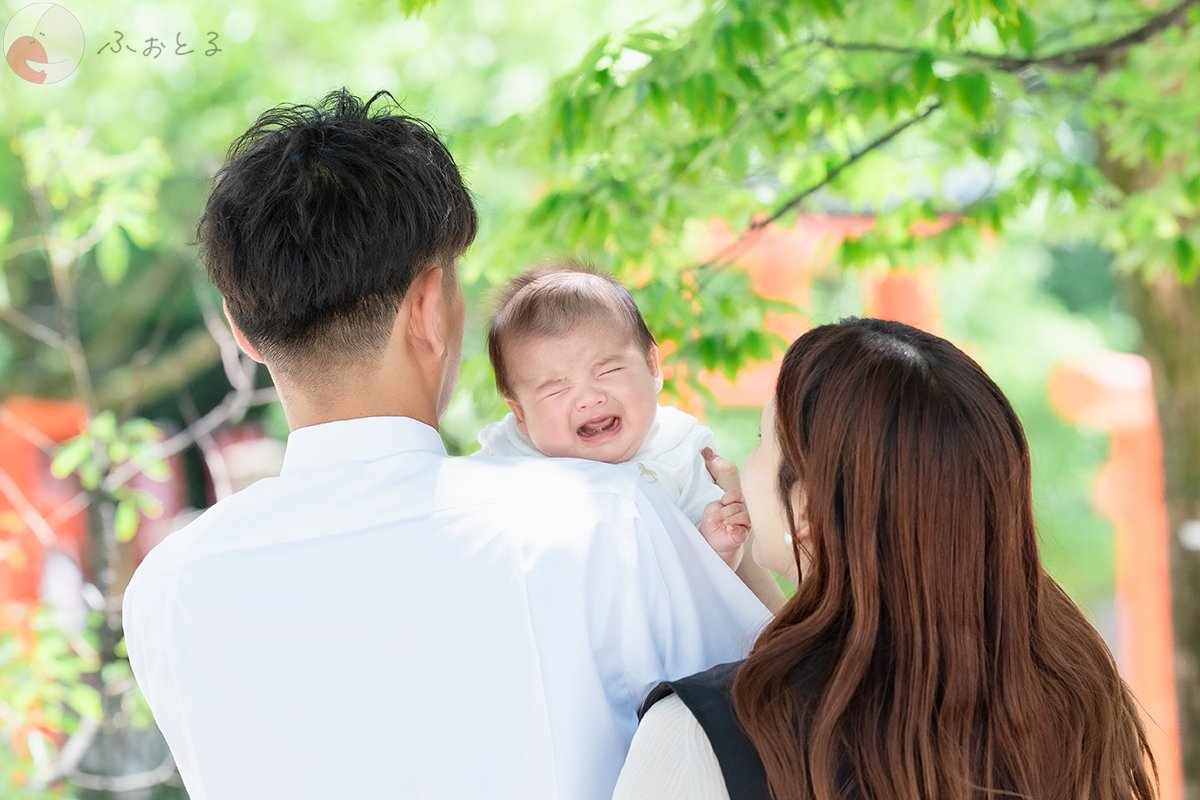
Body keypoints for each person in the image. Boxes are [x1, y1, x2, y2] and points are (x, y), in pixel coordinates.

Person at [121, 89, 772, 800]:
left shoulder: (171, 586)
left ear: (242, 332)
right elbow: (777, 705)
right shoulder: (596, 520)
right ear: (430, 307)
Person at [614, 317, 1158, 800]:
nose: (747, 462)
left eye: (763, 441)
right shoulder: (1075, 687)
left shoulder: (702, 733)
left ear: (804, 507)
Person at [478, 264, 749, 569]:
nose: (590, 398)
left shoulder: (677, 447)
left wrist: (719, 543)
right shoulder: (505, 459)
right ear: (520, 414)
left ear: (651, 367)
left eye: (608, 370)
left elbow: (711, 569)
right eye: (556, 388)